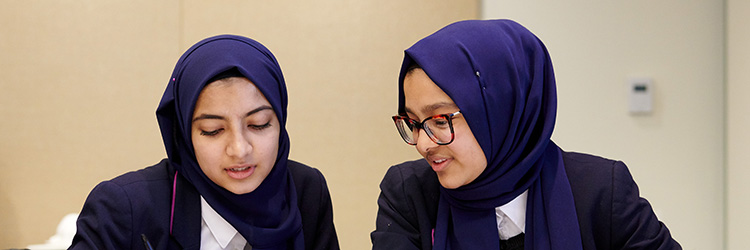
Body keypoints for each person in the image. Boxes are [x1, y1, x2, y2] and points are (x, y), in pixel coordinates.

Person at [371, 19, 680, 250]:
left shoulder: (600, 192)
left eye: (439, 121)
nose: (423, 145)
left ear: (501, 112)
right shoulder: (409, 195)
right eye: (413, 123)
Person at [70, 35, 339, 250]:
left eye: (259, 124)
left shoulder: (305, 191)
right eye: (213, 130)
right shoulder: (124, 207)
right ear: (185, 135)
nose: (239, 149)